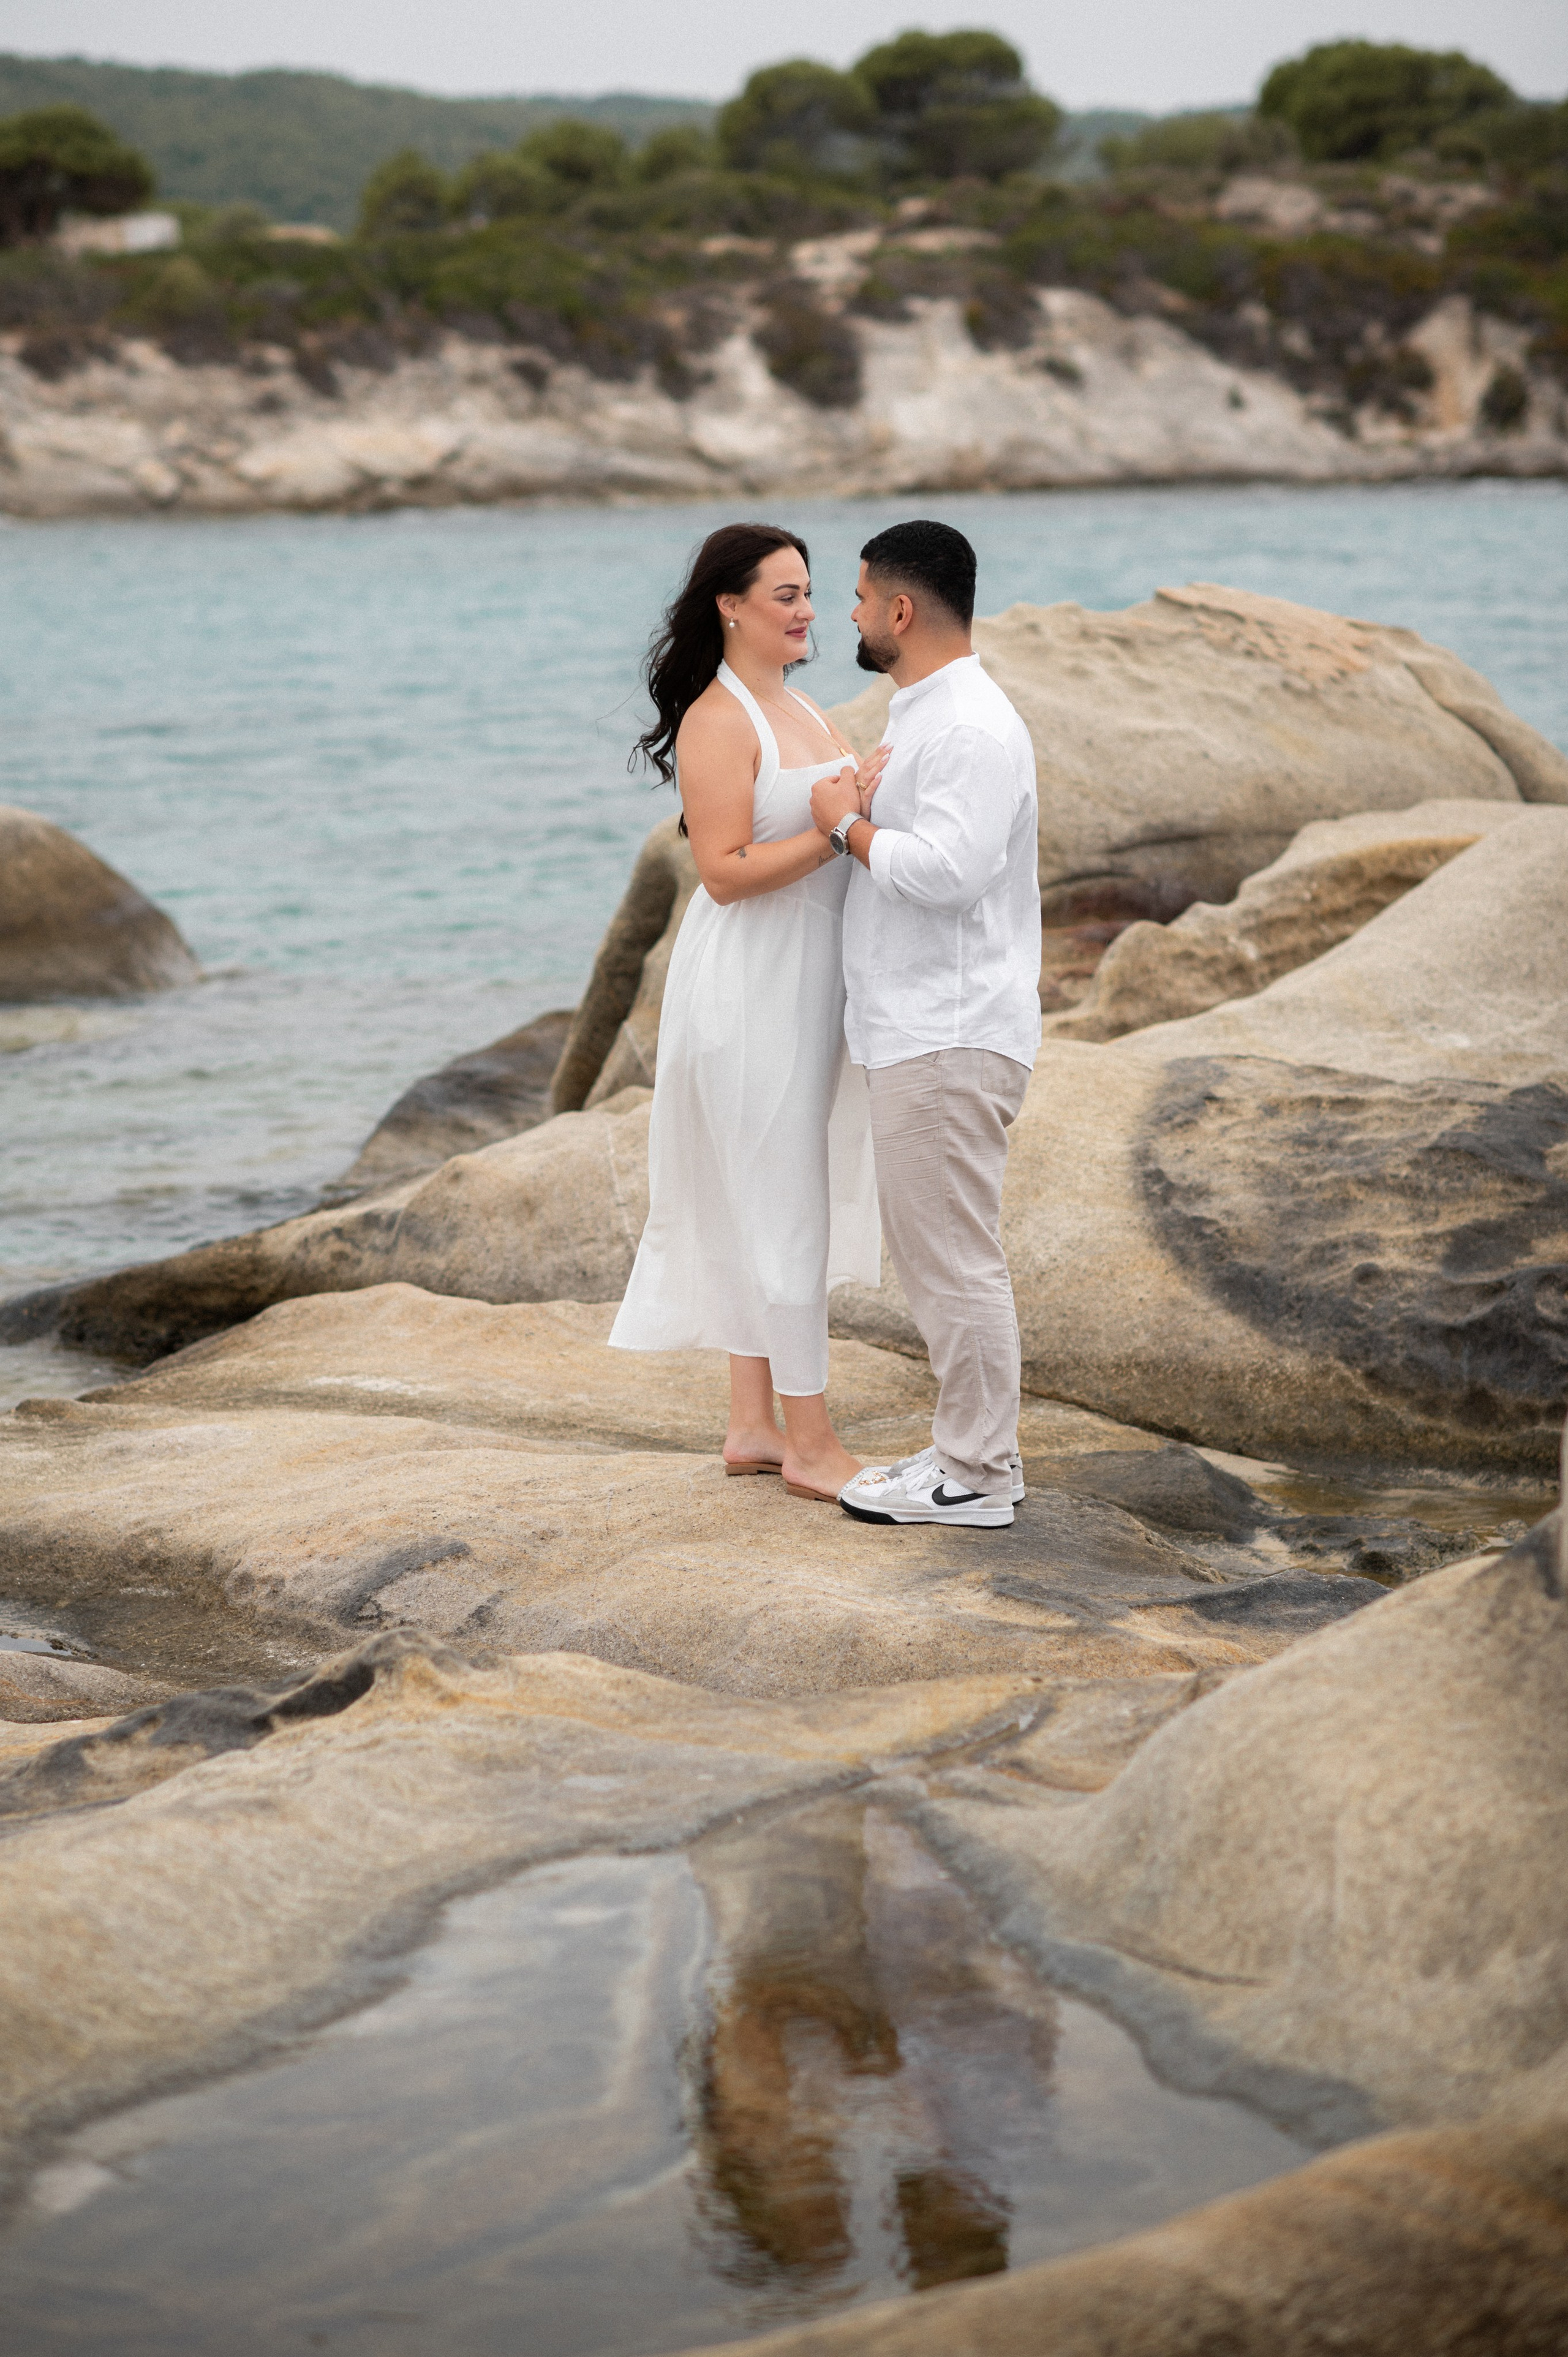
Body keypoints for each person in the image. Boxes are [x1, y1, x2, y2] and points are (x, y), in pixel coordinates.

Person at [608, 522, 882, 1501]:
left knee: (768, 1190)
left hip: (808, 980)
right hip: (751, 985)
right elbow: (723, 876)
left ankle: (752, 1426)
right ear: (730, 604)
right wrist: (838, 835)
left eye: (810, 592)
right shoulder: (719, 720)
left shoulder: (803, 704)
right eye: (786, 594)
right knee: (780, 1199)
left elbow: (844, 814)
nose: (808, 610)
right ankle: (808, 1444)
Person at [809, 520, 1041, 1529]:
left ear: (901, 611)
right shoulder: (931, 715)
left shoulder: (970, 727)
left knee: (953, 1258)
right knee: (935, 1251)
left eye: (861, 597)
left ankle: (983, 1474)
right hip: (920, 1027)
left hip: (949, 1031)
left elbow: (949, 875)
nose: (850, 615)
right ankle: (963, 1449)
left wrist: (845, 827)